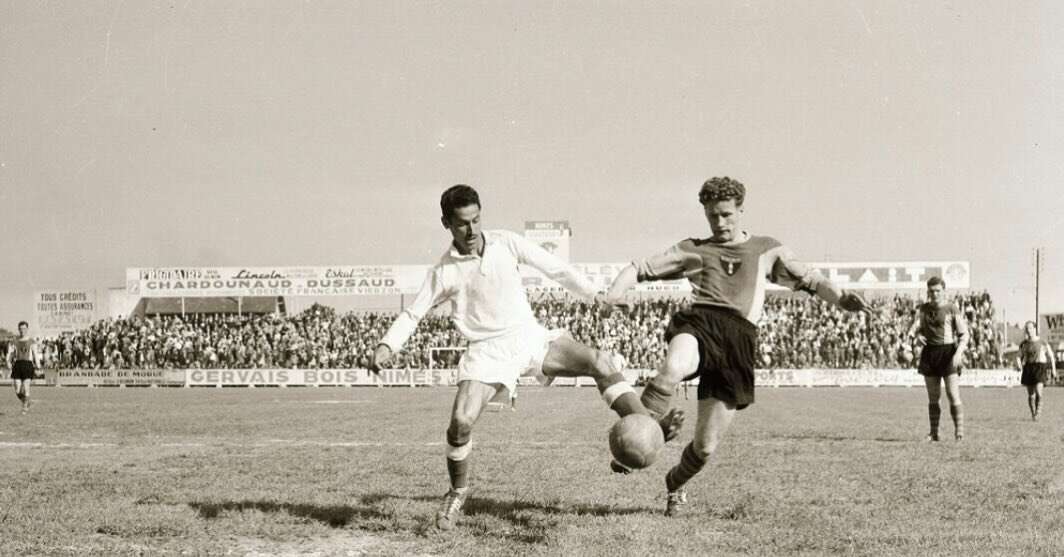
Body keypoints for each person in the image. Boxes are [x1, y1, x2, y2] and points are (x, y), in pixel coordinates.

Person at [370, 185, 684, 531]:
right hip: (487, 351)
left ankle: (650, 430)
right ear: (446, 223)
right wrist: (388, 345)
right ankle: (458, 491)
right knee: (460, 422)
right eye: (462, 224)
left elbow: (555, 268)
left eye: (476, 220)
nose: (472, 230)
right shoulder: (443, 272)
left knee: (600, 360)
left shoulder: (505, 242)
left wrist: (595, 297)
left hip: (530, 337)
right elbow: (413, 314)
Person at [603, 176, 872, 517]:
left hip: (739, 341)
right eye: (712, 215)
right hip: (701, 323)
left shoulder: (767, 249)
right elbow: (638, 268)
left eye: (727, 214)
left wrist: (840, 297)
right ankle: (634, 444)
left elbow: (811, 278)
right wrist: (614, 294)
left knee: (704, 447)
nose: (720, 223)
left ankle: (675, 484)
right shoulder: (694, 249)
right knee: (671, 368)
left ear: (741, 210)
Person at [907, 276, 969, 441]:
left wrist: (958, 353)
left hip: (948, 353)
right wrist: (917, 338)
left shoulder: (951, 308)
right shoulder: (923, 309)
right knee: (933, 397)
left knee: (952, 394)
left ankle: (959, 433)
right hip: (930, 353)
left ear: (944, 291)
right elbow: (912, 331)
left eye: (937, 291)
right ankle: (934, 433)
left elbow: (964, 334)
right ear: (928, 291)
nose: (934, 294)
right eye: (931, 291)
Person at [1016, 320, 1056, 421]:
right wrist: (1019, 364)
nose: (1028, 330)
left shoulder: (1042, 342)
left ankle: (1038, 412)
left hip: (1040, 367)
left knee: (1039, 391)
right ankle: (1033, 413)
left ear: (1034, 329)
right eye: (1027, 328)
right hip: (1029, 368)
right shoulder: (1024, 344)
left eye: (1030, 328)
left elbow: (1051, 355)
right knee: (1031, 394)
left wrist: (1054, 369)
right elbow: (1018, 356)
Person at [7, 321, 40, 414]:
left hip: (28, 365)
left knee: (26, 387)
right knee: (17, 390)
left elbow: (35, 354)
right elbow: (11, 353)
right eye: (21, 329)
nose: (22, 331)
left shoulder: (31, 341)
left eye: (24, 329)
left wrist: (38, 365)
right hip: (17, 365)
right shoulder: (15, 341)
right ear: (18, 329)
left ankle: (25, 408)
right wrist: (8, 361)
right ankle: (27, 402)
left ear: (27, 329)